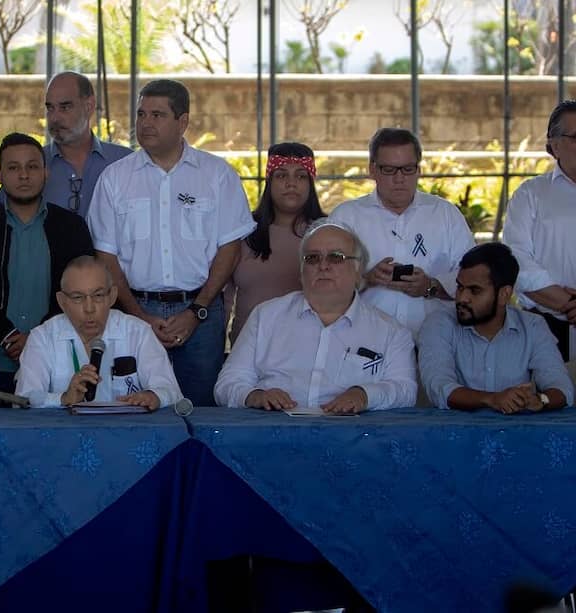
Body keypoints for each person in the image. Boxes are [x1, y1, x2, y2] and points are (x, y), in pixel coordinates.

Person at [88, 79, 255, 406]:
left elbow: (230, 250)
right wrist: (138, 316)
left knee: (201, 409)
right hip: (133, 310)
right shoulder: (115, 178)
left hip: (201, 313)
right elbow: (105, 255)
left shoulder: (217, 175)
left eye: (157, 115)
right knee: (133, 408)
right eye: (141, 114)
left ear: (183, 121)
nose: (145, 123)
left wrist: (196, 311)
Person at [214, 220, 417, 413]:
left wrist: (364, 395)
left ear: (358, 271)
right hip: (275, 428)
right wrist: (255, 396)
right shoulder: (265, 316)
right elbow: (227, 384)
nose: (323, 266)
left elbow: (405, 390)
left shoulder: (390, 331)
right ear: (301, 272)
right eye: (312, 258)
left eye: (336, 257)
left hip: (351, 432)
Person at [0, 132, 94, 395]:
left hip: (58, 363)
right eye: (13, 168)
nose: (24, 175)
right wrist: (7, 336)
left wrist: (37, 337)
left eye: (32, 167)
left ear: (46, 173)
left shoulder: (72, 228)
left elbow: (84, 292)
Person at [329, 127, 474, 336]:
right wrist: (366, 279)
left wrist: (430, 286)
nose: (399, 178)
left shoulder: (445, 214)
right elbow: (325, 282)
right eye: (389, 169)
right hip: (362, 340)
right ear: (372, 170)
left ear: (419, 170)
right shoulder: (346, 217)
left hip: (435, 340)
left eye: (407, 169)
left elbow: (472, 277)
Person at [418, 242, 573, 412]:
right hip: (453, 428)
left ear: (504, 294)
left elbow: (562, 389)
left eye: (475, 290)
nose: (462, 298)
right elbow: (439, 388)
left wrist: (540, 400)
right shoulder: (438, 324)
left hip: (517, 427)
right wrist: (492, 399)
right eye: (460, 287)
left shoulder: (533, 326)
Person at [16, 255, 182, 409]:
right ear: (62, 301)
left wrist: (153, 396)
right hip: (65, 429)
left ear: (112, 296)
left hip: (126, 428)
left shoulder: (138, 333)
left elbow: (171, 391)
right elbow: (23, 399)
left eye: (98, 295)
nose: (89, 308)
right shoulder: (42, 338)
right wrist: (63, 399)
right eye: (78, 297)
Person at [224, 142, 326, 346]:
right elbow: (224, 300)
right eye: (281, 175)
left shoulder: (327, 233)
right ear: (269, 181)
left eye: (301, 176)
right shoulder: (242, 230)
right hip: (247, 352)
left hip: (309, 350)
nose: (291, 183)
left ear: (310, 183)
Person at [503, 99, 576, 370]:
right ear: (554, 145)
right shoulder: (530, 194)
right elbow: (517, 260)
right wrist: (569, 304)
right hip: (546, 327)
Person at [43, 71, 132, 217]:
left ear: (89, 106)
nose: (55, 118)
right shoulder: (31, 167)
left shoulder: (125, 162)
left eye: (65, 107)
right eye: (50, 108)